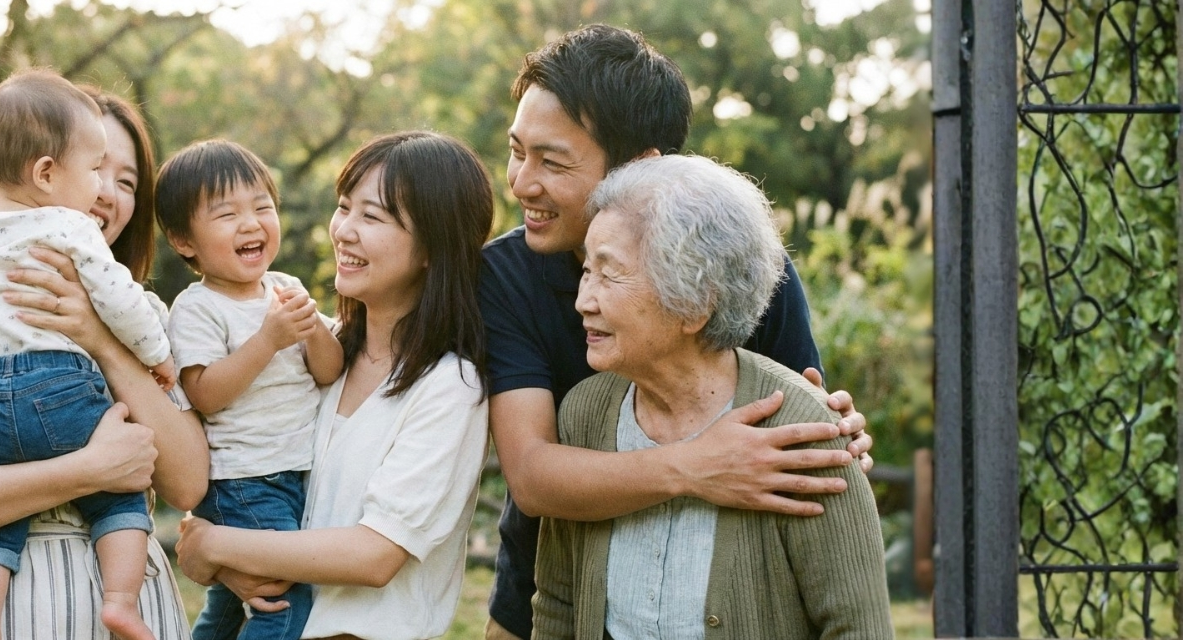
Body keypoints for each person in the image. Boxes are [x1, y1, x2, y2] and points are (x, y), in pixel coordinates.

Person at [481, 25, 876, 640]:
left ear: (639, 169)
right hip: (549, 591)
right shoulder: (505, 275)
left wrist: (835, 435)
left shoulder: (741, 262)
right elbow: (533, 476)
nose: (521, 182)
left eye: (552, 162)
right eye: (517, 150)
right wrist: (695, 466)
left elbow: (796, 432)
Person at [0, 84, 209, 640]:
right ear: (43, 171)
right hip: (3, 609)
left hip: (131, 606)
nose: (105, 191)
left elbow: (188, 483)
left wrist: (99, 339)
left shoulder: (142, 315)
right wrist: (85, 472)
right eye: (96, 168)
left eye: (125, 180)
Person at [533, 155, 892, 638]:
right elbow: (558, 604)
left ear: (695, 304)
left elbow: (858, 628)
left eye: (609, 273)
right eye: (586, 271)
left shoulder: (801, 432)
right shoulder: (585, 413)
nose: (584, 300)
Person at [173, 131, 494, 640]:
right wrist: (217, 555)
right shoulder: (316, 348)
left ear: (434, 246)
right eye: (344, 207)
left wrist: (212, 546)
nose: (344, 230)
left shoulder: (449, 387)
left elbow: (375, 555)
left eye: (372, 217)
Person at [154, 140, 345, 640]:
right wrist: (269, 339)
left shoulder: (285, 287)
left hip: (291, 476)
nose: (251, 223)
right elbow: (204, 393)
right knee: (282, 598)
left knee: (233, 602)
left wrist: (313, 329)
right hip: (243, 480)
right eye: (226, 214)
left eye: (262, 207)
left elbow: (328, 371)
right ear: (183, 240)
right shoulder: (197, 308)